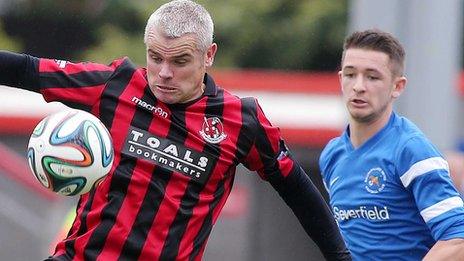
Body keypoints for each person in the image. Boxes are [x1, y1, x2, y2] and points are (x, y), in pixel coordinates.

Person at [0, 0, 351, 260]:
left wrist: (339, 254)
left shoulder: (240, 121)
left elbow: (295, 187)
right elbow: (27, 70)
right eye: (155, 57)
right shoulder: (117, 85)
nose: (164, 72)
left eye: (180, 60)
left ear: (208, 54)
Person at [319, 28, 464, 260]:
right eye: (350, 74)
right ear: (340, 79)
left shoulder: (410, 149)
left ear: (397, 86)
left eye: (372, 77)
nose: (359, 86)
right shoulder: (331, 156)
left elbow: (458, 238)